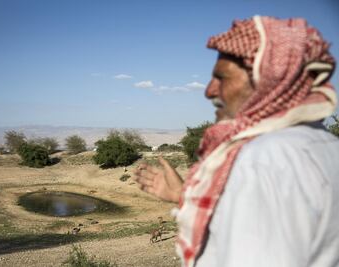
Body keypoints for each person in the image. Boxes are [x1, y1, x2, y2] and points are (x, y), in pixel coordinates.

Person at [134, 15, 339, 267]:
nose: (209, 90)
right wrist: (182, 196)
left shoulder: (264, 157)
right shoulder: (327, 147)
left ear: (270, 80)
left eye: (222, 77)